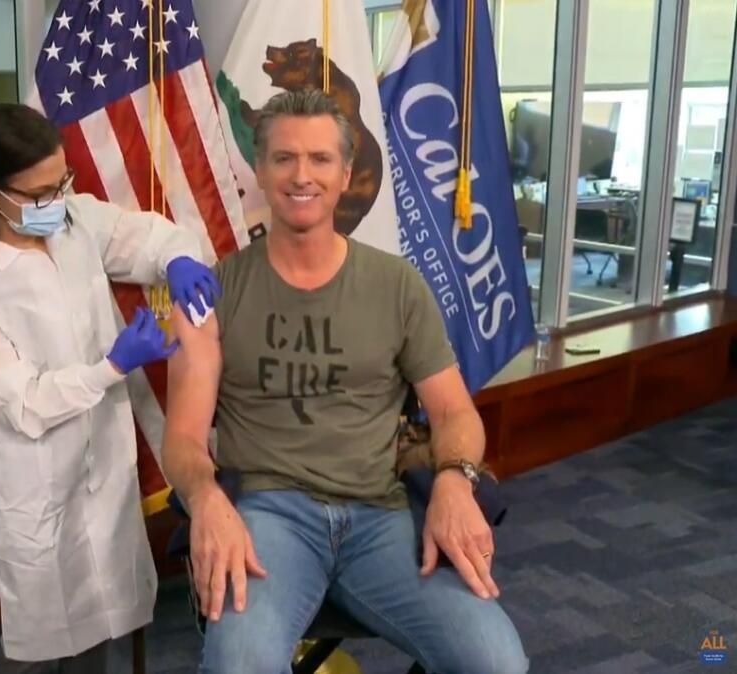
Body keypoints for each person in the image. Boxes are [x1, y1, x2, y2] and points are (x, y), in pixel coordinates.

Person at [162, 91, 528, 674]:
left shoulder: (396, 284)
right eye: (283, 158)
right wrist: (205, 499)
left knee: (495, 662)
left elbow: (455, 412)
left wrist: (455, 483)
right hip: (267, 519)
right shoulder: (216, 292)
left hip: (379, 517)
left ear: (346, 172)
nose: (301, 175)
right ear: (260, 170)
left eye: (319, 159)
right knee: (240, 668)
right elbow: (181, 438)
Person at [0, 103, 221, 674]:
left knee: (98, 635)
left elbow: (146, 236)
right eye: (39, 194)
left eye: (61, 182)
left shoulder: (73, 222)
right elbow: (26, 402)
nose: (55, 202)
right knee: (34, 648)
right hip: (35, 485)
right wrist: (111, 366)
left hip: (104, 476)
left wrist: (179, 258)